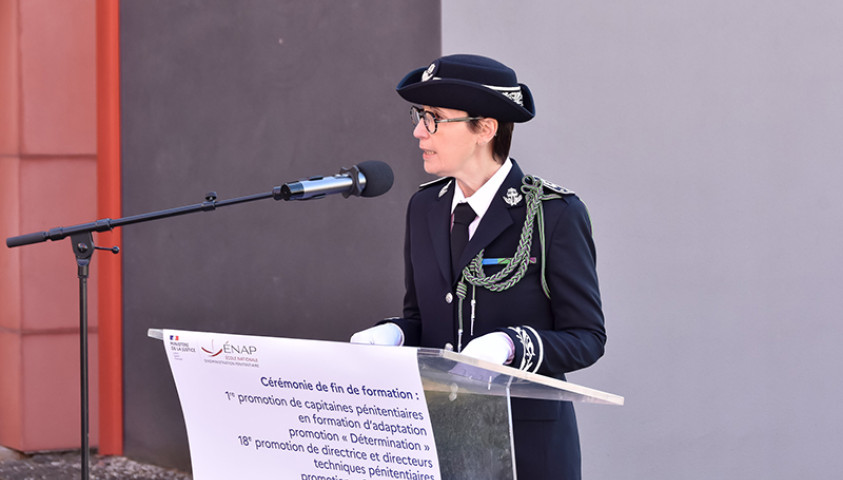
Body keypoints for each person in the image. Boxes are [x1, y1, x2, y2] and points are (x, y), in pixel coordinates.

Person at [351, 54, 606, 479]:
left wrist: (511, 345)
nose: (418, 131)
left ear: (484, 128)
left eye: (433, 118)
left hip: (526, 450)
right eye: (419, 116)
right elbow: (425, 319)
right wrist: (394, 332)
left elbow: (587, 337)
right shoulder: (424, 207)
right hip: (439, 441)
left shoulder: (552, 214)